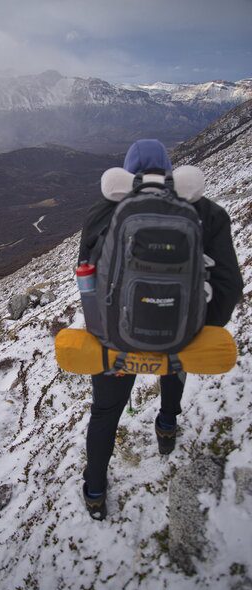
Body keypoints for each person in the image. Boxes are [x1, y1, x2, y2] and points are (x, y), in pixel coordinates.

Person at [78, 139, 244, 520]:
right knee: (173, 370)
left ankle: (96, 492)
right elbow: (230, 284)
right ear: (170, 173)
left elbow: (87, 276)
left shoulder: (102, 212)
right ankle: (167, 427)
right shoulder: (206, 212)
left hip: (115, 340)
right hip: (178, 336)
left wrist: (105, 328)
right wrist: (197, 327)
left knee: (105, 412)